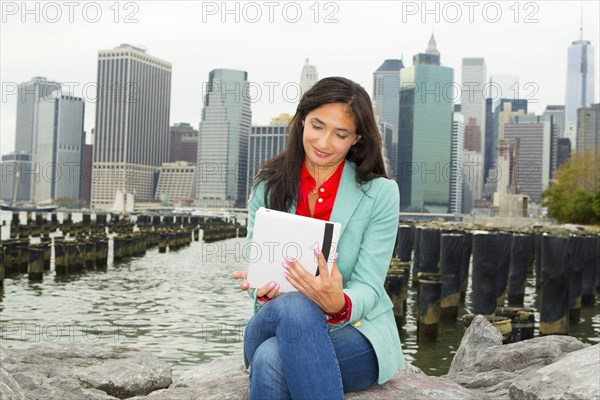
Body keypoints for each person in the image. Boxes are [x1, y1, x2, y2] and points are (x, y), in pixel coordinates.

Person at [233, 76, 404, 399]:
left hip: (354, 332)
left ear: (356, 139)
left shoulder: (380, 193)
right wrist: (261, 288)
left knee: (270, 359)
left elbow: (369, 285)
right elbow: (258, 277)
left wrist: (339, 303)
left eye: (340, 134)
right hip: (274, 321)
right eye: (317, 126)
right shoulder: (266, 187)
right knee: (295, 305)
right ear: (301, 121)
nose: (324, 142)